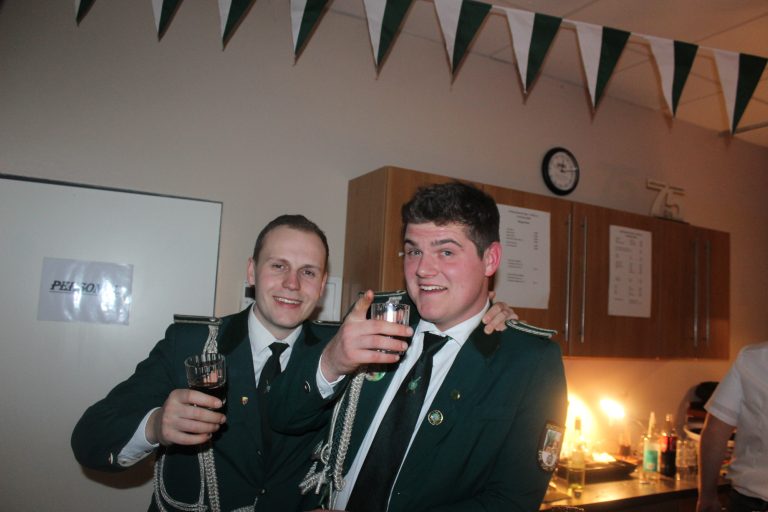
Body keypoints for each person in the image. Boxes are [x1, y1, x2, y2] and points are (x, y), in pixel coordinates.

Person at [71, 213, 516, 512]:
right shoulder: (191, 343)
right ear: (251, 272)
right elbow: (91, 436)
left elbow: (433, 318)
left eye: (308, 272)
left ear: (322, 285)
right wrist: (154, 426)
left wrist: (487, 316)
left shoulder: (347, 349)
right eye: (277, 266)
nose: (291, 284)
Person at [270, 182, 568, 512]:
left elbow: (511, 501)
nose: (423, 270)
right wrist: (332, 362)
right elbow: (284, 419)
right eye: (414, 251)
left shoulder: (528, 361)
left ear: (490, 259)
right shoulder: (373, 318)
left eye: (446, 252)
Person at [696, 341, 768, 512]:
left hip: (749, 501)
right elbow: (715, 432)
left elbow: (715, 431)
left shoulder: (753, 357)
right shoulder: (750, 358)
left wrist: (707, 497)